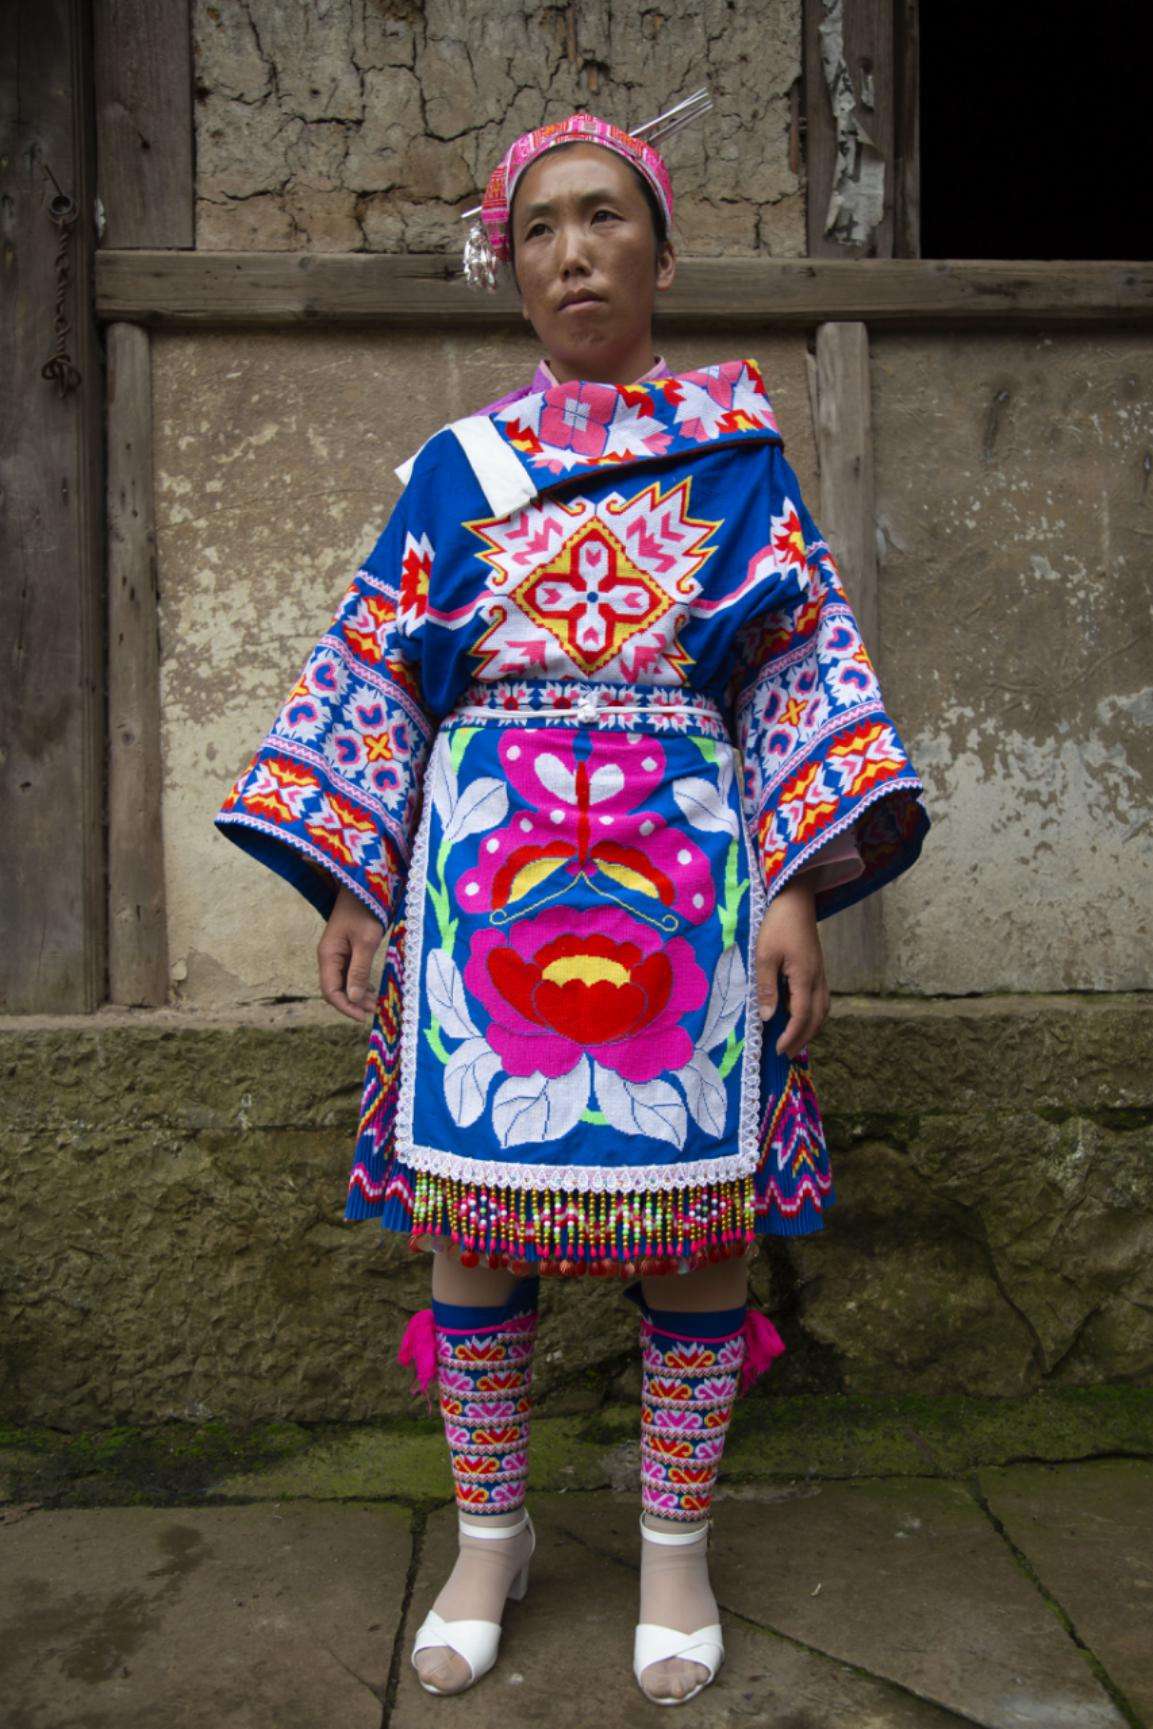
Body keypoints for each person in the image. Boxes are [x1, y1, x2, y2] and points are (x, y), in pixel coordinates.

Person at [214, 103, 930, 1707]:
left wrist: (794, 890)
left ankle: (673, 1550)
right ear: (509, 268)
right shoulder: (452, 472)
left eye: (603, 216)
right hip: (488, 881)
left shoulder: (738, 460)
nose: (572, 251)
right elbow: (377, 673)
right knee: (473, 1227)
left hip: (689, 884)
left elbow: (794, 683)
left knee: (695, 1228)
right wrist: (354, 876)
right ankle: (490, 1538)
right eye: (537, 228)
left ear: (660, 252)